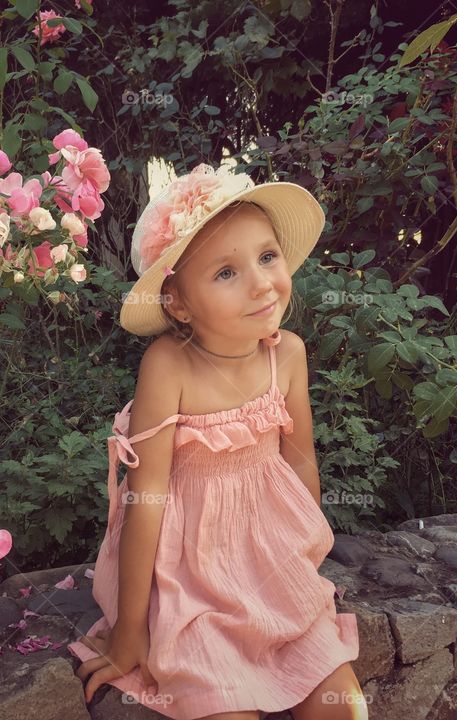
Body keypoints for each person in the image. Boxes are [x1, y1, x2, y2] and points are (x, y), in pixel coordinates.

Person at [67, 164, 367, 720]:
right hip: (187, 572)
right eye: (226, 272)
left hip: (270, 563)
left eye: (267, 257)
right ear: (179, 303)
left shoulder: (288, 354)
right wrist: (130, 631)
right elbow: (144, 497)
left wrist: (304, 562)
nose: (260, 283)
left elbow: (300, 464)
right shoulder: (168, 366)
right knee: (224, 707)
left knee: (341, 706)